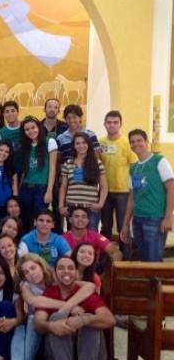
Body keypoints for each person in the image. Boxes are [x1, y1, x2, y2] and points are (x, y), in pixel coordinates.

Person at [34, 255, 115, 360]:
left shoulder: (86, 293)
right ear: (55, 273)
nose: (66, 271)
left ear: (77, 273)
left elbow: (110, 320)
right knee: (57, 317)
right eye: (61, 268)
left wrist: (84, 320)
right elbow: (38, 324)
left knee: (90, 318)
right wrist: (52, 326)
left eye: (70, 268)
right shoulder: (50, 292)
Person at [6, 254, 95, 360]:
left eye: (33, 268)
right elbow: (34, 301)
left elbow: (90, 286)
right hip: (37, 324)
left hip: (56, 322)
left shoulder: (56, 277)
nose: (31, 273)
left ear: (41, 266)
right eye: (26, 272)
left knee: (31, 319)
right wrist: (67, 305)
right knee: (22, 327)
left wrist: (69, 305)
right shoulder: (26, 285)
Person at [120, 129, 174, 262]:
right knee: (143, 260)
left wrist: (168, 217)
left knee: (154, 260)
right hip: (138, 219)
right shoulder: (134, 168)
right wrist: (126, 223)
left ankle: (157, 283)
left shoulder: (159, 161)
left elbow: (171, 189)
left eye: (139, 140)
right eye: (132, 142)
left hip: (155, 218)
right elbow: (132, 197)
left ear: (146, 142)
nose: (136, 144)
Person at [99, 111, 135, 258]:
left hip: (123, 192)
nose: (112, 125)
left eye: (115, 122)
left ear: (121, 124)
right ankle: (105, 261)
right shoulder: (100, 142)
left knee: (123, 227)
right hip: (105, 192)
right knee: (105, 228)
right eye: (109, 122)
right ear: (104, 124)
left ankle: (125, 262)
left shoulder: (127, 143)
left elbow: (134, 167)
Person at [59, 132, 108, 230]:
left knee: (91, 239)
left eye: (84, 143)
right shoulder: (68, 164)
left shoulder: (97, 163)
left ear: (88, 144)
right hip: (72, 207)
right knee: (73, 240)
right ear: (74, 146)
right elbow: (63, 187)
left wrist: (100, 203)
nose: (81, 146)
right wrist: (61, 206)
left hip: (91, 208)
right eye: (78, 143)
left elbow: (104, 186)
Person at [19, 116, 58, 229]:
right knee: (25, 218)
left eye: (33, 127)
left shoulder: (50, 142)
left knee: (39, 219)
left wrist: (49, 191)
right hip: (25, 187)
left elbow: (52, 168)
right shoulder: (25, 145)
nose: (31, 131)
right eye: (27, 129)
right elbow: (23, 171)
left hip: (41, 188)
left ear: (39, 127)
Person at [0, 101, 23, 173]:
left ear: (18, 112)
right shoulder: (1, 132)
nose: (10, 114)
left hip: (27, 170)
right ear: (3, 114)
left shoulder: (26, 127)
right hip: (10, 171)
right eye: (7, 112)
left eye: (13, 111)